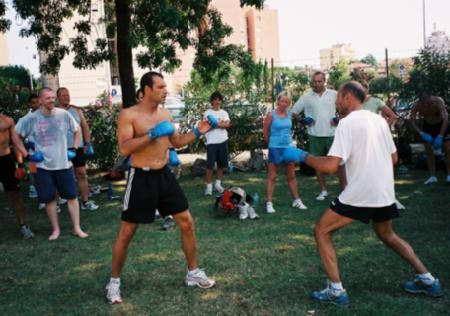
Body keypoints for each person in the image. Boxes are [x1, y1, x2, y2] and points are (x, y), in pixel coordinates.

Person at [283, 81, 442, 306]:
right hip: (384, 192)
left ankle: (336, 291)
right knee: (388, 235)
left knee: (321, 231)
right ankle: (428, 279)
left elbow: (329, 166)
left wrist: (301, 156)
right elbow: (394, 159)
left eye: (338, 97)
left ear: (348, 97)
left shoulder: (346, 124)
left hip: (361, 193)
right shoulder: (379, 120)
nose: (336, 102)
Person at [105, 71, 216, 305]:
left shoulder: (165, 113)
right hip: (141, 177)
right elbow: (125, 149)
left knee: (186, 222)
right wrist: (152, 134)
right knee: (127, 232)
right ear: (146, 90)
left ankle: (193, 273)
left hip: (164, 175)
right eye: (161, 87)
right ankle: (114, 282)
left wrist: (198, 131)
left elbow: (174, 141)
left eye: (166, 86)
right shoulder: (129, 114)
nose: (165, 90)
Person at [16, 87, 88, 240]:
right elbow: (16, 136)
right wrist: (27, 155)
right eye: (47, 98)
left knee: (71, 197)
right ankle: (56, 230)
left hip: (64, 164)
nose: (51, 100)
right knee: (49, 199)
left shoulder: (63, 114)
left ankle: (77, 228)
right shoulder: (31, 118)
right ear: (40, 100)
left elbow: (77, 130)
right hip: (43, 167)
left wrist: (74, 148)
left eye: (52, 97)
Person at [292, 71, 345, 201]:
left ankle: (344, 191)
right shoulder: (306, 97)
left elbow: (345, 109)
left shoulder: (334, 94)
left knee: (340, 164)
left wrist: (339, 118)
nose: (316, 84)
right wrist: (304, 120)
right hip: (315, 136)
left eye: (319, 81)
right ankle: (323, 190)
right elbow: (293, 112)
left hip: (333, 135)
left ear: (324, 81)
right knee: (317, 165)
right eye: (314, 81)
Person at [263, 91, 307, 213]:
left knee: (291, 175)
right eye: (282, 101)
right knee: (272, 176)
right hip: (275, 148)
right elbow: (265, 131)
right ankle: (269, 203)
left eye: (287, 102)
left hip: (288, 147)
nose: (284, 103)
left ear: (289, 103)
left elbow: (299, 119)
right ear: (278, 101)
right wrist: (271, 145)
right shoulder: (271, 115)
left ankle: (296, 200)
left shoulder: (290, 115)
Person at [57, 87, 99, 210]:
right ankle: (58, 202)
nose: (66, 97)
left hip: (78, 147)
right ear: (58, 97)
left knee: (81, 173)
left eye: (67, 95)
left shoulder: (76, 110)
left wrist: (88, 143)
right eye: (63, 95)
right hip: (61, 149)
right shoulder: (54, 111)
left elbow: (85, 127)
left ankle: (85, 202)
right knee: (59, 176)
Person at [0, 113, 35, 239]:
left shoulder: (8, 120)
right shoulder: (6, 122)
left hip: (5, 160)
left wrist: (20, 164)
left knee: (15, 193)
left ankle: (23, 226)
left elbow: (15, 142)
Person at [410, 91, 450, 184]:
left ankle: (449, 175)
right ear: (421, 101)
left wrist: (440, 135)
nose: (428, 103)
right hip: (428, 126)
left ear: (430, 97)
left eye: (428, 100)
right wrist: (421, 133)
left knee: (448, 149)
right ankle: (433, 176)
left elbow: (446, 120)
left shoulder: (437, 101)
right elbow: (412, 120)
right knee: (428, 151)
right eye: (424, 102)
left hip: (441, 125)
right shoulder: (417, 105)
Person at [203, 91, 231, 195]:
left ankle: (218, 184)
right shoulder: (208, 113)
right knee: (210, 165)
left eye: (219, 99)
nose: (217, 101)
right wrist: (221, 124)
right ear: (212, 101)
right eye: (215, 99)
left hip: (223, 141)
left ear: (221, 101)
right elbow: (206, 126)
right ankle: (209, 186)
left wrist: (215, 124)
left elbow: (227, 124)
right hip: (211, 142)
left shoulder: (224, 113)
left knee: (221, 164)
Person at [16, 93, 40, 200]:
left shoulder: (46, 115)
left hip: (47, 151)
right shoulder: (25, 119)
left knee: (46, 174)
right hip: (32, 152)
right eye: (34, 103)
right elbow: (17, 138)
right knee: (33, 172)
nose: (37, 105)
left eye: (38, 102)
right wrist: (27, 143)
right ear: (30, 104)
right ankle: (33, 189)